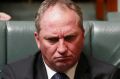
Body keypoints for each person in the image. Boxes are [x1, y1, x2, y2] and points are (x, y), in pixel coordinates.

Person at [1, 0, 120, 79]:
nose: (62, 49)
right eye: (52, 39)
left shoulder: (108, 76)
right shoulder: (13, 75)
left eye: (70, 38)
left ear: (83, 35)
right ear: (38, 40)